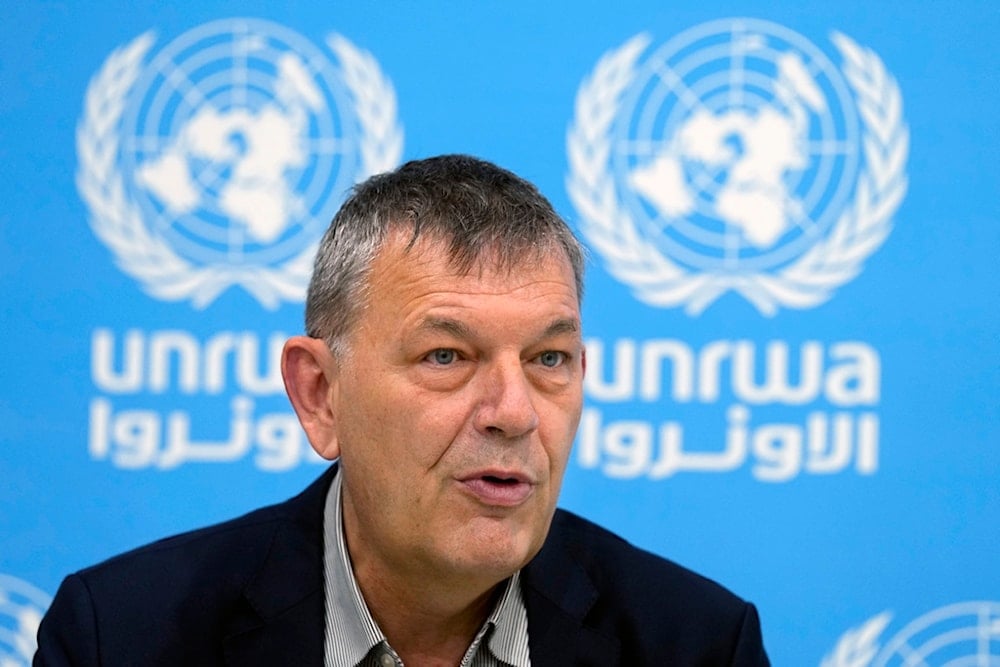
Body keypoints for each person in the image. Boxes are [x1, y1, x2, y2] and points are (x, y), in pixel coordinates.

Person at [35, 155, 770, 666]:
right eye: (446, 357)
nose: (513, 413)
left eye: (549, 360)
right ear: (319, 394)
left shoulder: (695, 642)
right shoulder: (123, 635)